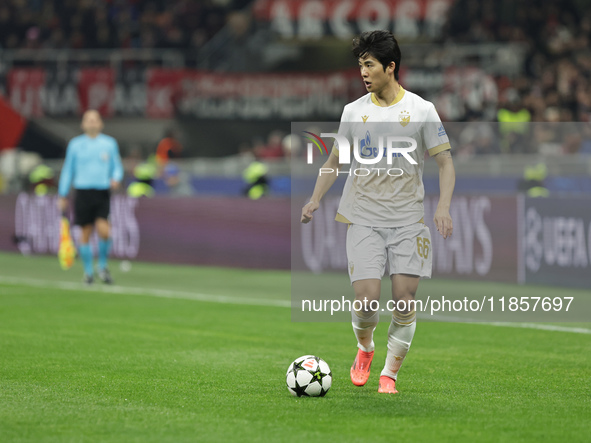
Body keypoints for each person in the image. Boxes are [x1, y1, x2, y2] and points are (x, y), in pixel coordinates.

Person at [301, 31, 455, 394]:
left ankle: (389, 374)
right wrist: (314, 199)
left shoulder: (422, 110)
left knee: (404, 301)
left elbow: (445, 163)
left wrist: (443, 205)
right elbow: (334, 160)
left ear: (390, 67)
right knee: (367, 300)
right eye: (360, 65)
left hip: (408, 221)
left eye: (369, 65)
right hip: (364, 218)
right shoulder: (354, 112)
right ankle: (365, 347)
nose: (364, 73)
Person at [58, 110, 123, 285]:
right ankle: (88, 272)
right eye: (88, 120)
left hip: (101, 192)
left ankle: (102, 266)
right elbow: (67, 170)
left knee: (104, 231)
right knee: (85, 233)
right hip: (83, 192)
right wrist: (62, 193)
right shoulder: (75, 145)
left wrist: (116, 178)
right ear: (83, 124)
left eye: (95, 120)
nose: (92, 123)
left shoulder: (109, 144)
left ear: (100, 123)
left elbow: (117, 166)